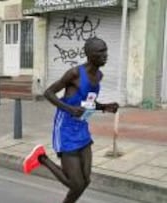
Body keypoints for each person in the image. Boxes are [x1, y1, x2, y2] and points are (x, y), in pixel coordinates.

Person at [22, 37, 119, 203]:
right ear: (89, 54)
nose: (105, 55)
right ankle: (41, 158)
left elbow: (87, 103)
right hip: (65, 128)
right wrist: (69, 109)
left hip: (82, 129)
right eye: (101, 51)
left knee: (85, 181)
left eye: (106, 50)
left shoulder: (99, 76)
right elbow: (49, 92)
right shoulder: (74, 73)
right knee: (76, 185)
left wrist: (104, 107)